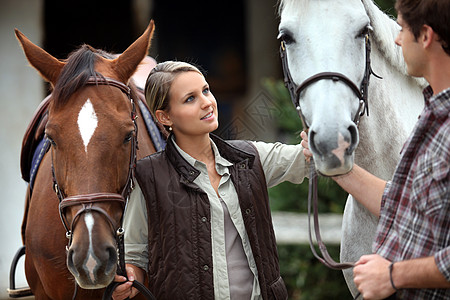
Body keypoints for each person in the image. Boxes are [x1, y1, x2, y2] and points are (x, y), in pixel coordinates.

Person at [112, 61, 309, 299]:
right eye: (190, 99)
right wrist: (128, 281)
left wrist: (316, 143)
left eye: (205, 90)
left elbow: (308, 160)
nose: (207, 102)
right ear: (165, 117)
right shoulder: (147, 177)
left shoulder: (249, 157)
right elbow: (134, 254)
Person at [301, 0, 449, 299]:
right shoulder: (431, 116)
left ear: (426, 36)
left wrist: (393, 275)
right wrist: (338, 166)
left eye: (402, 28)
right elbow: (406, 205)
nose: (395, 38)